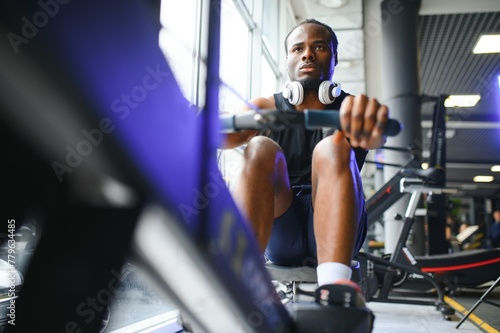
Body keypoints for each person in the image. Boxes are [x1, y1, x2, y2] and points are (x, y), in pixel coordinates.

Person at [222, 19, 389, 289]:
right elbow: (227, 134)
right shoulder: (265, 107)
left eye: (319, 47)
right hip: (280, 229)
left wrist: (374, 124)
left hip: (340, 228)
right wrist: (201, 121)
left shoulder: (353, 107)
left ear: (335, 57)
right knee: (260, 147)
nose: (307, 54)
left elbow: (375, 135)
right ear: (287, 59)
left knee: (332, 146)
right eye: (298, 49)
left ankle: (335, 294)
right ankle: (238, 288)